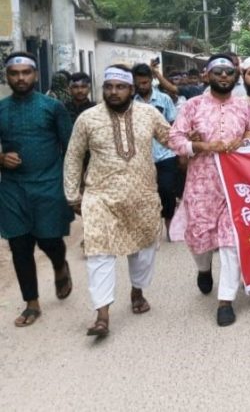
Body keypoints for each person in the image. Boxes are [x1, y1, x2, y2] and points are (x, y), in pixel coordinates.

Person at [64, 65, 172, 338]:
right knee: (99, 253)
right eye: (109, 87)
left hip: (142, 196)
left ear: (131, 89)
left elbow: (172, 139)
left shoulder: (149, 114)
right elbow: (74, 156)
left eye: (120, 87)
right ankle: (102, 314)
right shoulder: (87, 118)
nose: (114, 92)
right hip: (101, 196)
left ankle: (137, 290)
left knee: (144, 251)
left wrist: (198, 142)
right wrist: (72, 194)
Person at [168, 54, 250, 327]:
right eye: (218, 72)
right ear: (206, 75)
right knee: (199, 237)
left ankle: (226, 300)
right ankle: (204, 268)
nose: (223, 76)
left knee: (232, 240)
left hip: (235, 183)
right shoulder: (193, 106)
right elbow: (175, 138)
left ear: (235, 77)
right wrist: (202, 146)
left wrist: (243, 143)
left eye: (229, 72)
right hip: (202, 183)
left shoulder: (244, 107)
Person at [0, 52, 74, 327]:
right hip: (12, 188)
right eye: (14, 73)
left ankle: (59, 265)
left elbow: (71, 148)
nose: (20, 78)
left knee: (49, 240)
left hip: (49, 184)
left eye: (26, 72)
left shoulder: (52, 107)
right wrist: (1, 158)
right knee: (19, 245)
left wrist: (74, 184)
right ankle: (31, 303)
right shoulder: (1, 109)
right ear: (7, 76)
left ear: (35, 74)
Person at [132, 64, 179, 241]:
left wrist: (179, 151)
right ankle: (147, 229)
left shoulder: (164, 99)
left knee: (167, 191)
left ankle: (170, 227)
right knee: (143, 194)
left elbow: (174, 125)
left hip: (165, 154)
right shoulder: (131, 103)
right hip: (141, 156)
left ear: (151, 80)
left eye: (145, 82)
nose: (142, 86)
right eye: (138, 83)